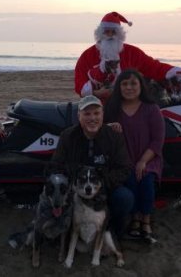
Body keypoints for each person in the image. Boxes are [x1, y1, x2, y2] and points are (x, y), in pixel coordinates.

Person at [51, 95, 134, 238]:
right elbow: (56, 165)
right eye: (87, 114)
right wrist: (73, 184)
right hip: (76, 187)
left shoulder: (114, 136)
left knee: (125, 197)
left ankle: (113, 231)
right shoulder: (67, 136)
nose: (92, 118)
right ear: (79, 116)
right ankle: (65, 231)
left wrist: (102, 184)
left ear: (103, 115)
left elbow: (124, 168)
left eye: (96, 113)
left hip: (103, 187)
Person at [104, 69, 165, 244]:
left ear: (140, 86)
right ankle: (135, 219)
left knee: (145, 179)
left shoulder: (151, 109)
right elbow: (103, 133)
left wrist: (143, 161)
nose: (129, 87)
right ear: (119, 87)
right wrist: (110, 128)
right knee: (130, 178)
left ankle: (145, 220)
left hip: (149, 157)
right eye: (124, 84)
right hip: (124, 159)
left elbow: (157, 141)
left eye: (133, 83)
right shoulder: (113, 108)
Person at [74, 11, 181, 102]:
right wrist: (96, 93)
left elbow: (153, 66)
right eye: (106, 31)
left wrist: (173, 72)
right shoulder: (87, 56)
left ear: (119, 34)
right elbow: (79, 83)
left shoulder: (132, 52)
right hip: (97, 107)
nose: (110, 35)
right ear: (100, 33)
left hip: (128, 105)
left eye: (113, 32)